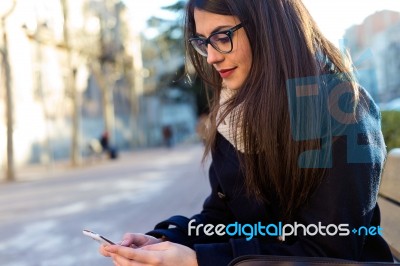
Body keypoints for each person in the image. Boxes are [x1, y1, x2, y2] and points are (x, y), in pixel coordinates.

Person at [99, 0, 394, 265]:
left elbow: (329, 250)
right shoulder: (234, 115)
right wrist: (167, 242)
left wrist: (199, 260)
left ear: (269, 28)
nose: (211, 56)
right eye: (203, 42)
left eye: (222, 36)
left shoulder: (337, 108)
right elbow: (222, 216)